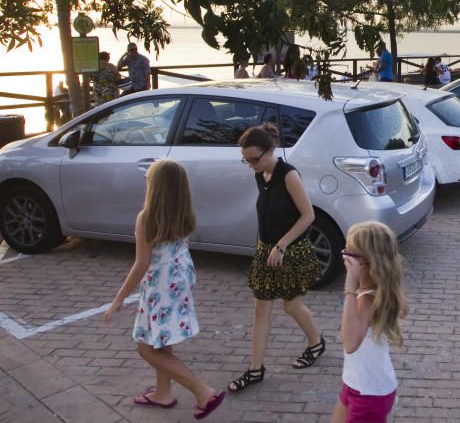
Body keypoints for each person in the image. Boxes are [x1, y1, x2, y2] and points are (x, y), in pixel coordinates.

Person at [102, 159, 225, 419]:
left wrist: (118, 299)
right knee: (160, 341)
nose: (146, 182)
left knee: (145, 347)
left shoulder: (146, 218)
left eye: (148, 179)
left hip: (160, 289)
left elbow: (141, 264)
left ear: (156, 188)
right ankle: (162, 393)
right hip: (177, 283)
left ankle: (203, 392)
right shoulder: (181, 213)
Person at [229, 124, 325, 393]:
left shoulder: (289, 175)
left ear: (270, 151)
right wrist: (268, 245)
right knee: (261, 308)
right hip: (266, 250)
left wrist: (281, 245)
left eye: (254, 159)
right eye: (246, 160)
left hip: (290, 251)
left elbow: (309, 216)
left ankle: (316, 343)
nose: (250, 165)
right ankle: (255, 369)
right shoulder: (261, 173)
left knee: (292, 306)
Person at [332, 221, 407, 423]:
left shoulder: (367, 299)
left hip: (368, 395)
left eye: (347, 254)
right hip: (357, 384)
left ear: (364, 262)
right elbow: (403, 310)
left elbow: (350, 344)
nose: (343, 257)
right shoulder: (381, 292)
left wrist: (350, 285)